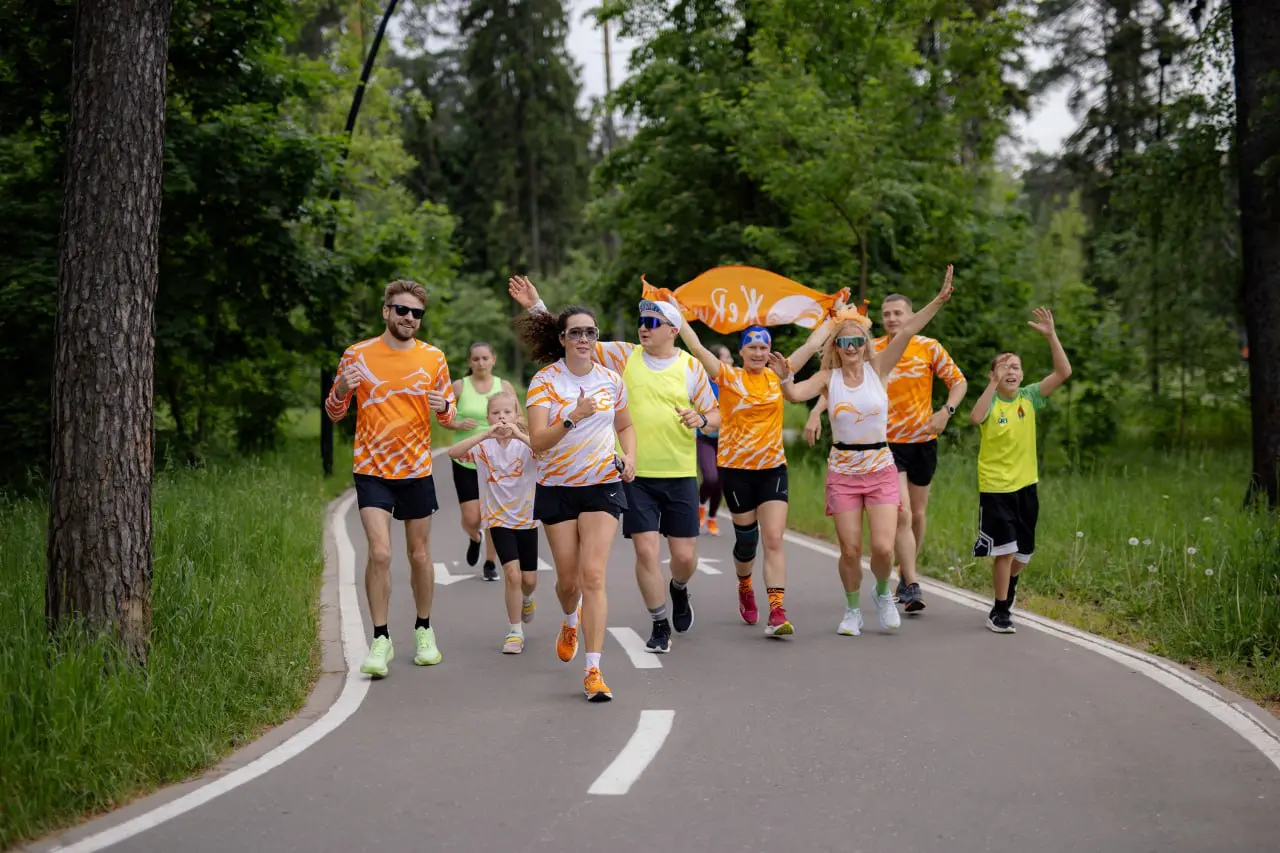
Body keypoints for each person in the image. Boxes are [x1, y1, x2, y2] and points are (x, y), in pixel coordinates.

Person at [507, 276, 720, 655]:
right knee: (644, 552)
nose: (643, 328)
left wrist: (701, 419)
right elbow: (574, 340)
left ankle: (679, 588)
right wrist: (536, 306)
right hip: (629, 473)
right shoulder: (624, 355)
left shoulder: (690, 367)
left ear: (673, 330)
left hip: (679, 471)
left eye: (652, 323)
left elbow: (716, 415)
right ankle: (659, 623)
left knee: (684, 557)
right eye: (641, 322)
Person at [772, 267, 954, 636]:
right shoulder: (828, 379)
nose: (852, 348)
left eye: (857, 341)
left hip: (881, 466)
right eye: (845, 343)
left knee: (884, 549)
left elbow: (908, 330)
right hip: (843, 470)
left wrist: (937, 300)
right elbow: (794, 394)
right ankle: (852, 609)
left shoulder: (879, 369)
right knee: (851, 550)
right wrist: (785, 377)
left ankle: (883, 592)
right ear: (836, 347)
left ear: (865, 344)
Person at [802, 293, 968, 612]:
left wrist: (946, 411)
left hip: (923, 439)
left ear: (910, 315)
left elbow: (958, 382)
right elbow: (842, 384)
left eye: (898, 313)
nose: (892, 319)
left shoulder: (929, 347)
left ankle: (905, 575)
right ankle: (911, 582)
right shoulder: (871, 348)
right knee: (902, 513)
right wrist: (816, 411)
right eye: (887, 313)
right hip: (885, 444)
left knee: (917, 514)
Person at [325, 280, 457, 678]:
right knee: (380, 553)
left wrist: (444, 406)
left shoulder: (433, 358)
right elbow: (334, 413)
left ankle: (424, 629)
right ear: (386, 311)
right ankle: (380, 639)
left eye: (417, 313)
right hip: (372, 469)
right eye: (402, 310)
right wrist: (340, 390)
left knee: (419, 555)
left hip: (416, 469)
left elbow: (448, 417)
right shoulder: (357, 355)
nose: (409, 318)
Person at [676, 310, 836, 637]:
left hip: (772, 469)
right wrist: (677, 314)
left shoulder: (779, 374)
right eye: (752, 348)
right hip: (736, 470)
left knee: (774, 539)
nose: (759, 353)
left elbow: (811, 345)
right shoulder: (728, 376)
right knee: (747, 543)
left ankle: (777, 611)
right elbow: (698, 349)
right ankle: (744, 584)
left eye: (764, 348)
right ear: (742, 351)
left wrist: (835, 316)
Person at [513, 302, 637, 701]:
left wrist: (630, 456)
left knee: (593, 576)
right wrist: (573, 416)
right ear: (563, 338)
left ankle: (593, 670)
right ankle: (570, 618)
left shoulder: (610, 380)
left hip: (602, 484)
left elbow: (625, 424)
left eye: (590, 332)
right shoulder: (545, 381)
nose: (584, 339)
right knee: (569, 583)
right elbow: (537, 441)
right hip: (557, 487)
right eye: (576, 332)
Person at [969, 307, 1072, 634]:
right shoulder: (992, 402)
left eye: (1015, 366)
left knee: (1023, 554)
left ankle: (1008, 588)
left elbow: (1064, 372)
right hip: (996, 488)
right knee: (1005, 551)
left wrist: (1051, 335)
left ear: (1023, 374)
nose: (1010, 371)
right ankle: (999, 611)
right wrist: (992, 383)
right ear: (994, 374)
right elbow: (976, 417)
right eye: (1003, 367)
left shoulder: (1029, 398)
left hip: (1026, 486)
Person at [447, 390, 539, 653]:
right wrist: (485, 434)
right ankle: (515, 632)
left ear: (517, 415)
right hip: (498, 519)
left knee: (528, 581)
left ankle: (527, 598)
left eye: (507, 412)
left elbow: (546, 453)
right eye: (495, 413)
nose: (501, 417)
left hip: (527, 519)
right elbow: (453, 452)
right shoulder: (483, 447)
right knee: (512, 574)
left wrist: (519, 433)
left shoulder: (526, 445)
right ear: (488, 417)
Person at [446, 342, 519, 581]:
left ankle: (489, 562)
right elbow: (444, 417)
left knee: (492, 513)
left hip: (497, 459)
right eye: (475, 359)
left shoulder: (504, 386)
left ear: (493, 359)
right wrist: (457, 424)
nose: (481, 363)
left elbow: (517, 416)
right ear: (469, 362)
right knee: (472, 518)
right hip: (466, 459)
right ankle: (474, 537)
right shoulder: (459, 386)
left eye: (485, 358)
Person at [697, 345, 735, 537]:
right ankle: (700, 505)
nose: (731, 361)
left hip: (726, 440)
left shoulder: (734, 382)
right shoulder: (704, 382)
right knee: (710, 477)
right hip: (705, 437)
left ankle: (712, 518)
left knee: (721, 482)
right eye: (727, 357)